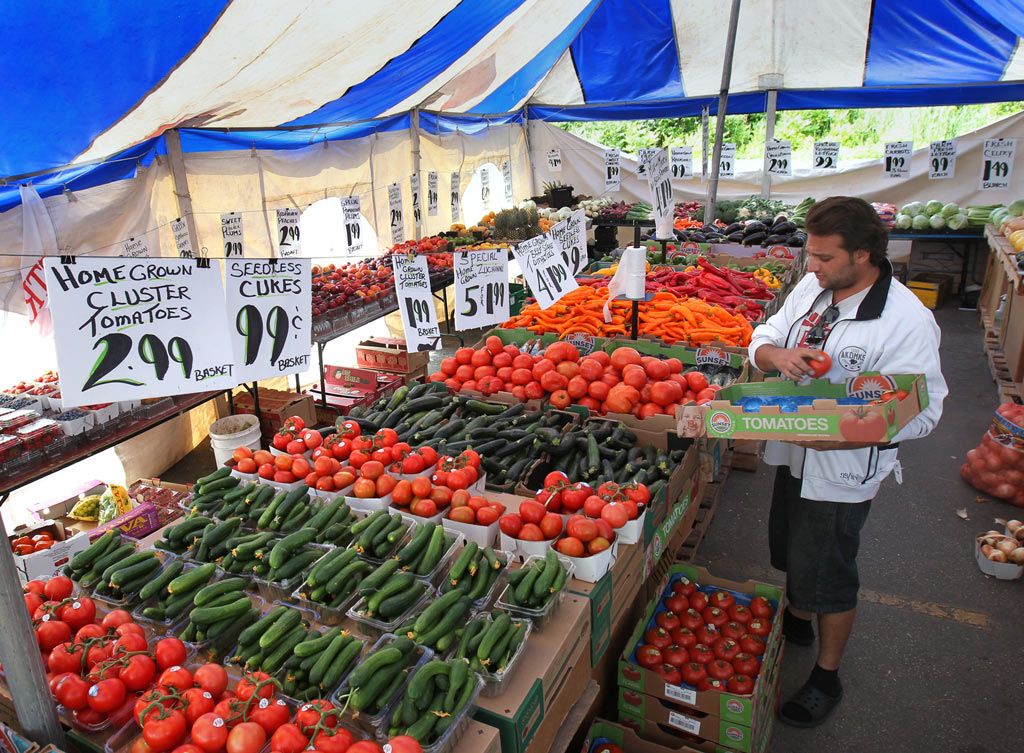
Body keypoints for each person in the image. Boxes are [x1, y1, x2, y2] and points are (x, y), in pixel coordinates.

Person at [749, 196, 947, 727]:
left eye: (823, 257)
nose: (810, 267)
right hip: (793, 449)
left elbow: (923, 411)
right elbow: (763, 337)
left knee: (831, 571)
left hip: (842, 472)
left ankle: (826, 676)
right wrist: (778, 357)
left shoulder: (906, 321)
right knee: (790, 548)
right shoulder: (815, 290)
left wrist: (847, 438)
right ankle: (796, 617)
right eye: (809, 255)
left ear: (863, 255)